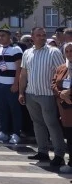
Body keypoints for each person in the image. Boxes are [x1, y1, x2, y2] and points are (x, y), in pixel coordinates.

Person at [21, 27, 66, 166]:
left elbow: (62, 72)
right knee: (37, 123)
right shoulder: (27, 53)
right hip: (31, 93)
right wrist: (21, 92)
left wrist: (59, 92)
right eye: (38, 35)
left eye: (44, 35)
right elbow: (24, 74)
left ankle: (59, 154)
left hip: (47, 94)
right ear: (32, 37)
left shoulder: (53, 52)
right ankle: (42, 151)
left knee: (52, 124)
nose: (42, 37)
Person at [0, 28, 24, 144]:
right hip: (0, 83)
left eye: (3, 35)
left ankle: (16, 133)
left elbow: (19, 68)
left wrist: (16, 83)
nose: (0, 38)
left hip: (11, 84)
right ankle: (3, 132)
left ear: (9, 37)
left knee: (14, 110)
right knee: (2, 109)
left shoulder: (16, 49)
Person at [52, 42, 72, 174]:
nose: (69, 53)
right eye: (67, 51)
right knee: (70, 137)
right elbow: (53, 84)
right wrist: (60, 94)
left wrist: (69, 92)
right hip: (65, 110)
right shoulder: (61, 68)